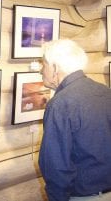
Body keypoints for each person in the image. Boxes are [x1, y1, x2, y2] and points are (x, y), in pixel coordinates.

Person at [38, 39, 111, 201]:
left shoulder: (60, 104)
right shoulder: (106, 92)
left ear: (55, 68)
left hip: (83, 196)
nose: (41, 71)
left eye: (43, 65)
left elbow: (55, 165)